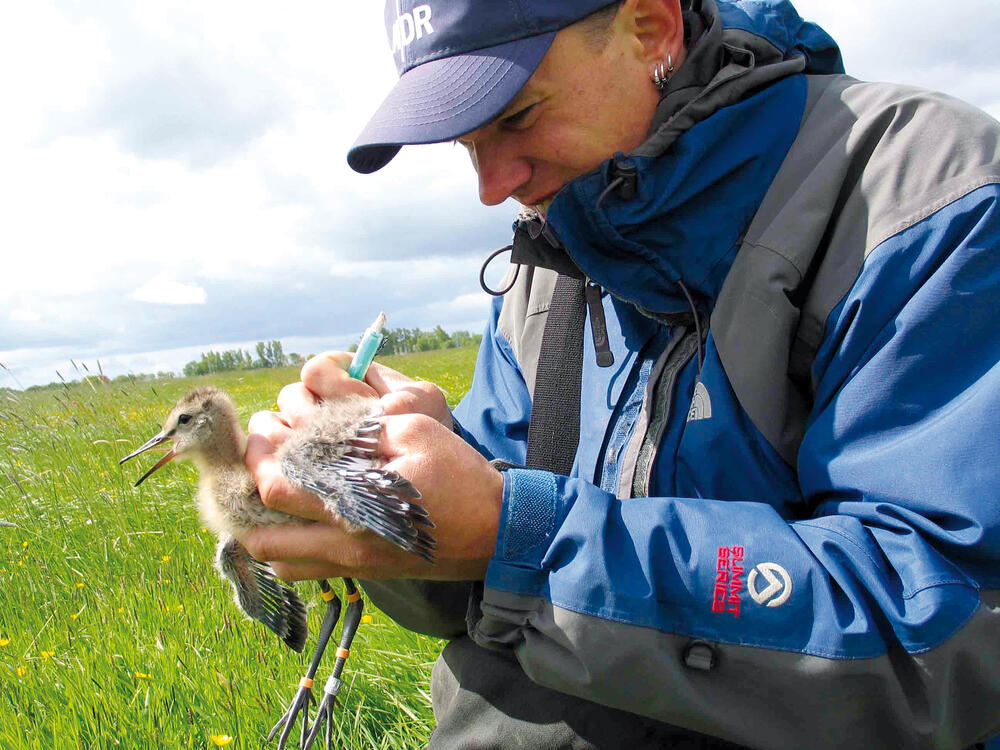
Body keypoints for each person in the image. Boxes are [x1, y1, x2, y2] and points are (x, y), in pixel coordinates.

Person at [241, 0, 1000, 747]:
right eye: (465, 143)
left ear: (652, 29)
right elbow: (461, 593)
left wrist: (519, 535)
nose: (492, 183)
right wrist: (399, 489)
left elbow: (946, 632)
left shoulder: (930, 201)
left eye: (516, 114)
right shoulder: (553, 254)